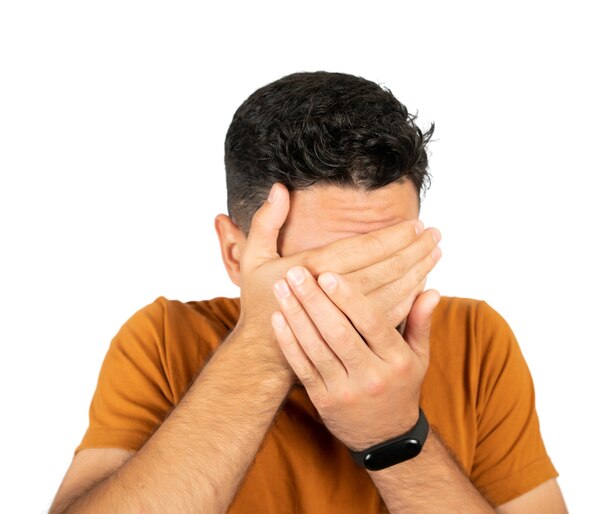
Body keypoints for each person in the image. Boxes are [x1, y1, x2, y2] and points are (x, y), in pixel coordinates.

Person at [50, 71, 568, 513]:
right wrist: (262, 352)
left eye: (389, 260)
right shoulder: (164, 339)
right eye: (323, 269)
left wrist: (394, 436)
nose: (367, 299)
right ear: (236, 254)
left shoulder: (477, 338)